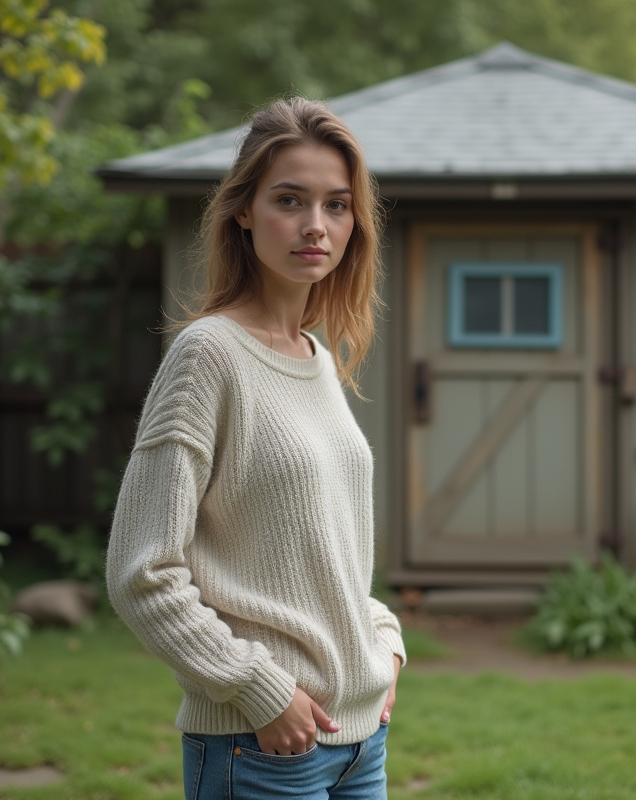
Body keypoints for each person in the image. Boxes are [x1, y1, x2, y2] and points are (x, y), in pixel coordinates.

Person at [106, 96, 405, 800]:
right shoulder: (208, 356)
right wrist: (258, 689)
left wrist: (382, 640)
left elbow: (322, 553)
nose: (315, 226)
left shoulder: (317, 357)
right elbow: (142, 570)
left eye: (336, 205)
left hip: (362, 742)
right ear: (243, 211)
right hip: (263, 746)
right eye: (290, 200)